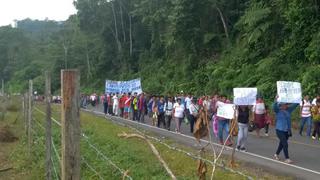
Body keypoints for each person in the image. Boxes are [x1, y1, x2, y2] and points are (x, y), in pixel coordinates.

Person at [273, 96, 299, 164]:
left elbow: (296, 104)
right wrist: (275, 100)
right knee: (285, 144)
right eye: (284, 104)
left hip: (287, 130)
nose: (285, 106)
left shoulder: (289, 110)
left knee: (282, 144)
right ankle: (287, 158)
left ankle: (276, 154)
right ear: (281, 105)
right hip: (279, 130)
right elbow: (274, 106)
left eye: (286, 104)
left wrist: (299, 97)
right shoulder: (278, 110)